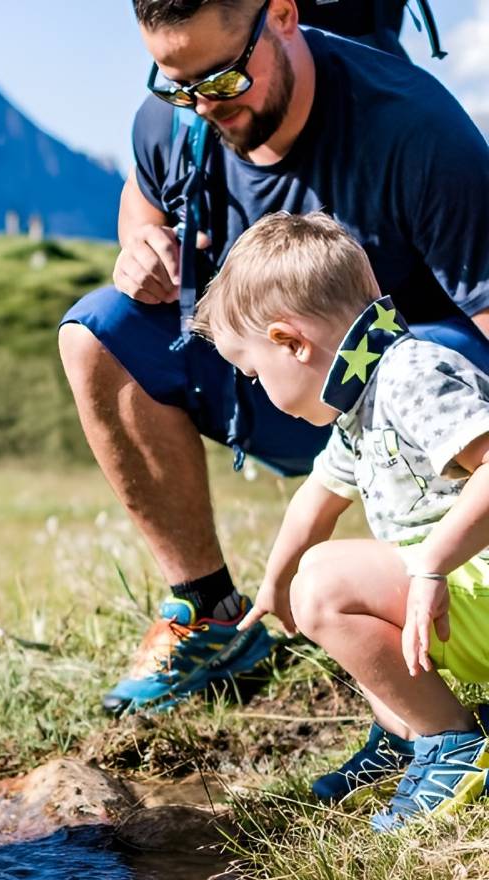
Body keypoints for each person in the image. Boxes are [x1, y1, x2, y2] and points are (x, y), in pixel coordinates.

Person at [59, 0, 489, 714]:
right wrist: (138, 245)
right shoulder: (175, 117)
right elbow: (141, 198)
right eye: (176, 83)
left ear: (283, 17)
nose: (200, 106)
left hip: (412, 399)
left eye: (224, 79)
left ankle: (438, 595)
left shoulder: (413, 127)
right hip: (260, 381)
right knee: (94, 329)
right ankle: (210, 615)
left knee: (430, 355)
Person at [194, 211, 489, 829]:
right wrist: (274, 587)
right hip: (462, 602)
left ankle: (451, 741)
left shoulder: (409, 376)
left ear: (291, 343)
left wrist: (433, 564)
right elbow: (318, 496)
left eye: (252, 374)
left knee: (325, 583)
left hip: (471, 585)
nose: (255, 390)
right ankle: (406, 735)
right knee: (313, 589)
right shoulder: (359, 396)